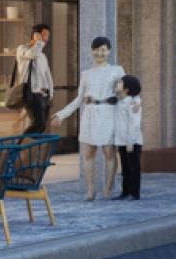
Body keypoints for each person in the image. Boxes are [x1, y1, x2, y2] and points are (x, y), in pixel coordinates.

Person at [52, 37, 127, 201]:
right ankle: (90, 189)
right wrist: (61, 115)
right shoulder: (86, 74)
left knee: (109, 152)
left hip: (108, 113)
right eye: (97, 49)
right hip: (90, 115)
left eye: (104, 49)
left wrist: (129, 112)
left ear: (109, 51)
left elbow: (123, 96)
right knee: (88, 153)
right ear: (91, 51)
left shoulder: (117, 70)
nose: (100, 53)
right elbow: (79, 99)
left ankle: (108, 188)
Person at [10, 24, 53, 135]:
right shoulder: (22, 49)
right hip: (32, 93)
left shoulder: (43, 56)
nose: (46, 38)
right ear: (35, 35)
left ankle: (31, 151)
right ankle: (18, 148)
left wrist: (51, 93)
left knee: (41, 127)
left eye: (48, 35)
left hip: (44, 95)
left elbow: (47, 75)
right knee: (38, 123)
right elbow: (31, 54)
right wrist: (38, 42)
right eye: (44, 35)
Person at [115, 75, 144, 201]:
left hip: (132, 142)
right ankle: (125, 191)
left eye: (120, 83)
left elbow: (134, 123)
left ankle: (135, 193)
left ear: (126, 89)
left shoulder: (133, 103)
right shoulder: (122, 100)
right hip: (122, 141)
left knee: (134, 168)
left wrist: (130, 141)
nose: (118, 84)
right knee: (125, 168)